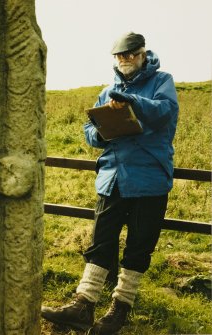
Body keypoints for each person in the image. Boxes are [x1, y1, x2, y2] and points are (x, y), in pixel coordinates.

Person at [41, 32, 179, 334]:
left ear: (143, 54)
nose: (125, 60)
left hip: (149, 179)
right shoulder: (108, 91)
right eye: (119, 56)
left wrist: (132, 102)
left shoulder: (162, 81)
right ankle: (83, 305)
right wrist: (103, 132)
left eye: (131, 54)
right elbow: (90, 130)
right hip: (113, 178)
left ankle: (119, 308)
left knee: (138, 246)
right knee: (101, 243)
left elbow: (164, 113)